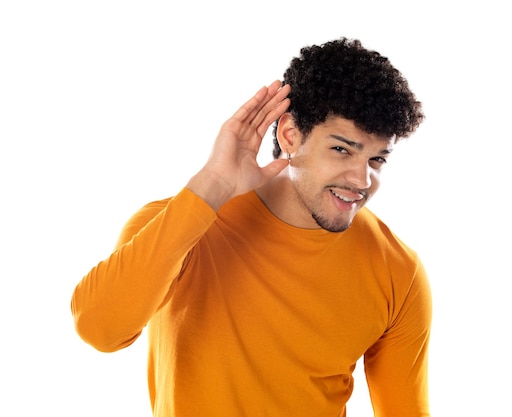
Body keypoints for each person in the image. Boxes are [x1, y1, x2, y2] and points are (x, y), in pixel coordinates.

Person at [71, 37, 432, 417]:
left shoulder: (398, 271)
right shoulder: (179, 226)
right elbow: (100, 329)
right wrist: (211, 185)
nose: (361, 180)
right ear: (290, 134)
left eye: (376, 160)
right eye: (342, 149)